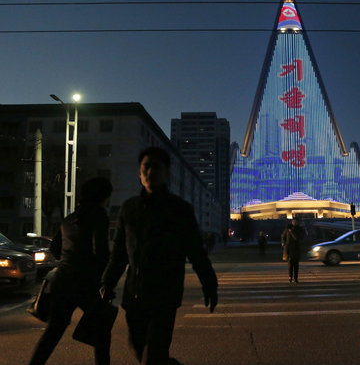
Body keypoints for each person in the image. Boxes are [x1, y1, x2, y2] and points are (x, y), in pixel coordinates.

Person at [100, 147, 218, 365]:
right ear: (139, 173)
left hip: (165, 296)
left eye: (157, 166)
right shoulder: (129, 209)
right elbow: (119, 254)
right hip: (134, 296)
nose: (151, 171)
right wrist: (107, 282)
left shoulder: (180, 210)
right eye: (146, 167)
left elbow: (196, 251)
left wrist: (210, 283)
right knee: (138, 349)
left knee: (152, 357)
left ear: (167, 173)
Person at [29, 177, 113, 365]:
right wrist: (105, 279)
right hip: (86, 284)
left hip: (63, 280)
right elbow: (100, 251)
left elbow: (55, 247)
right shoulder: (99, 215)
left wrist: (69, 260)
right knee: (102, 333)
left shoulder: (69, 218)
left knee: (53, 332)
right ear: (103, 196)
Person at [281, 218, 305, 283]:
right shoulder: (287, 229)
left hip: (296, 248)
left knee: (296, 264)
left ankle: (296, 278)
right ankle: (290, 277)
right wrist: (283, 243)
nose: (294, 222)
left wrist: (291, 231)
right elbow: (283, 236)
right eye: (293, 221)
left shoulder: (299, 229)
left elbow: (297, 238)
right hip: (289, 249)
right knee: (290, 264)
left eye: (296, 221)